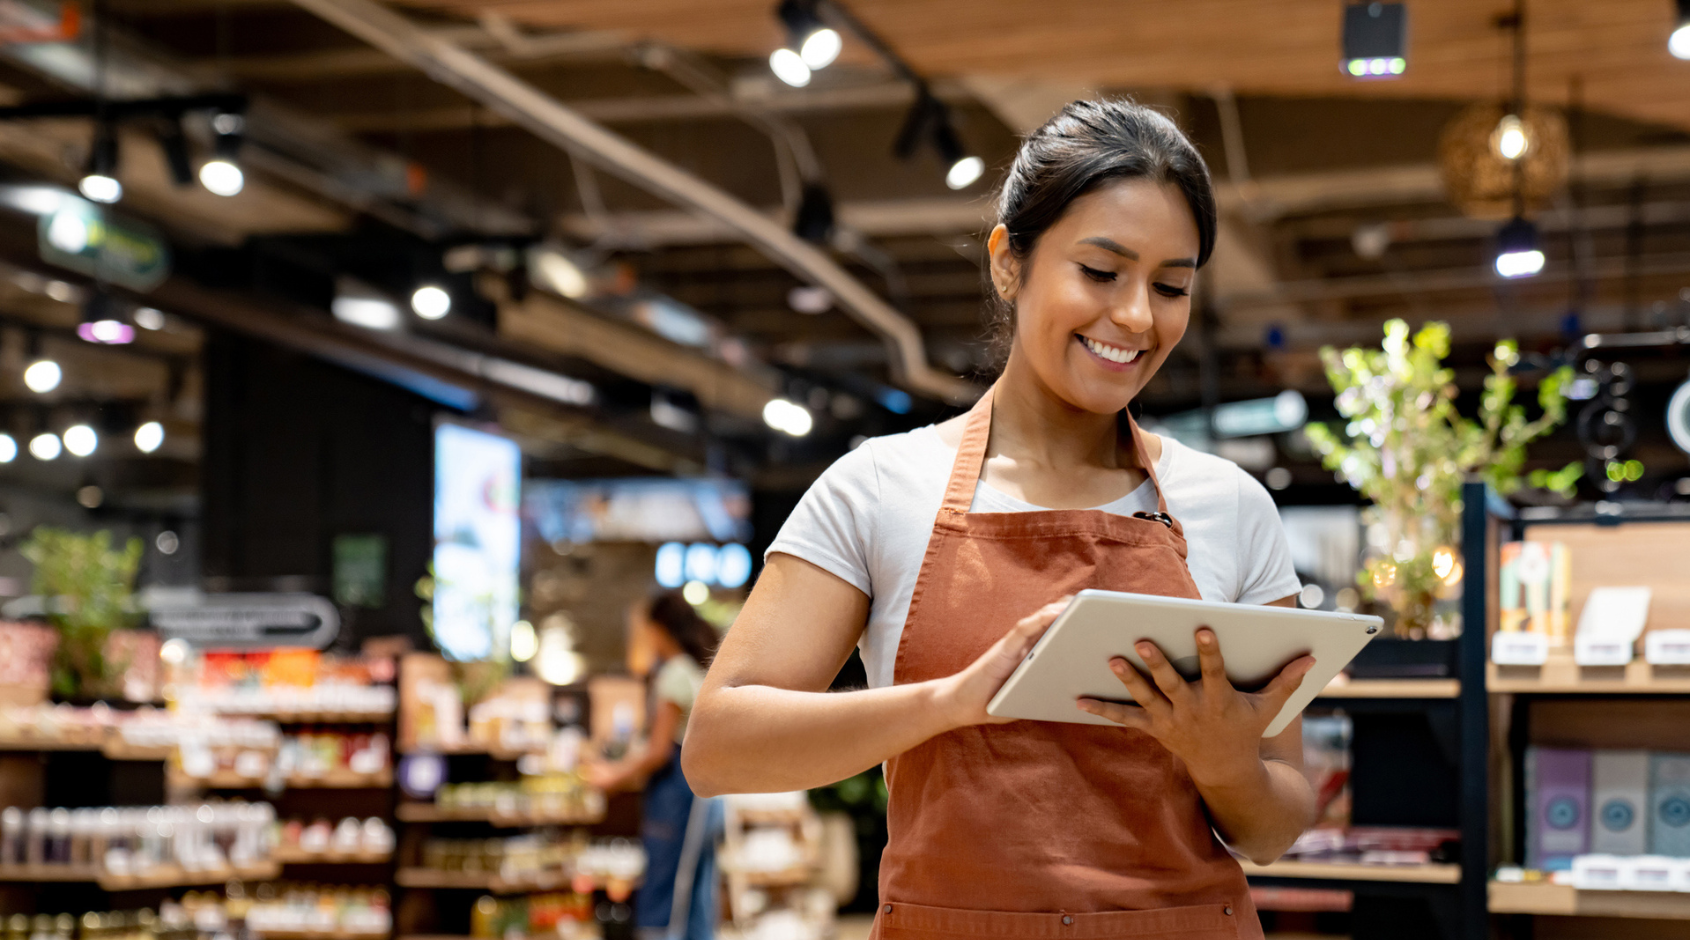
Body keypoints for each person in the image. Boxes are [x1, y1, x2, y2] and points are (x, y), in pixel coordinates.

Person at [683, 99, 1317, 940]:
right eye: (1100, 272)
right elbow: (718, 747)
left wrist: (1224, 759)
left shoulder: (1230, 506)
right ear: (1008, 263)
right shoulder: (879, 488)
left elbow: (1276, 824)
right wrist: (953, 701)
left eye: (1171, 286)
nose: (1136, 315)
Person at [590, 591, 720, 940]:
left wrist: (612, 776)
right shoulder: (696, 670)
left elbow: (657, 751)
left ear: (659, 629)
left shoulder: (675, 674)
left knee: (665, 890)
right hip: (703, 796)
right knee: (696, 893)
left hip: (679, 797)